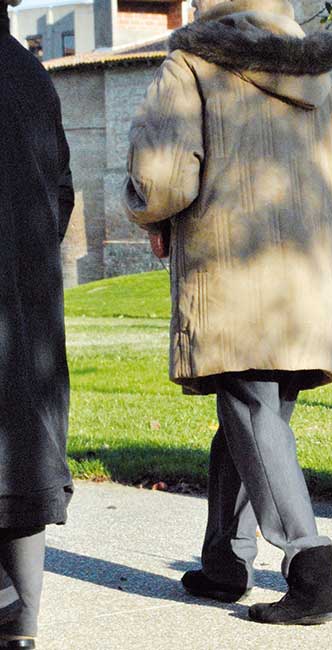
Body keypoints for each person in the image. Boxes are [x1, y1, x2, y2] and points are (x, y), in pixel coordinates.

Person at [123, 0, 332, 626]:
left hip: (232, 273)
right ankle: (224, 563)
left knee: (252, 413)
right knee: (253, 421)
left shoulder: (191, 67)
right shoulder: (322, 85)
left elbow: (162, 181)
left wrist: (150, 215)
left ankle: (310, 571)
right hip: (306, 287)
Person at [0, 0, 76, 646]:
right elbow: (62, 191)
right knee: (24, 463)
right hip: (29, 302)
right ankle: (20, 618)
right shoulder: (34, 76)